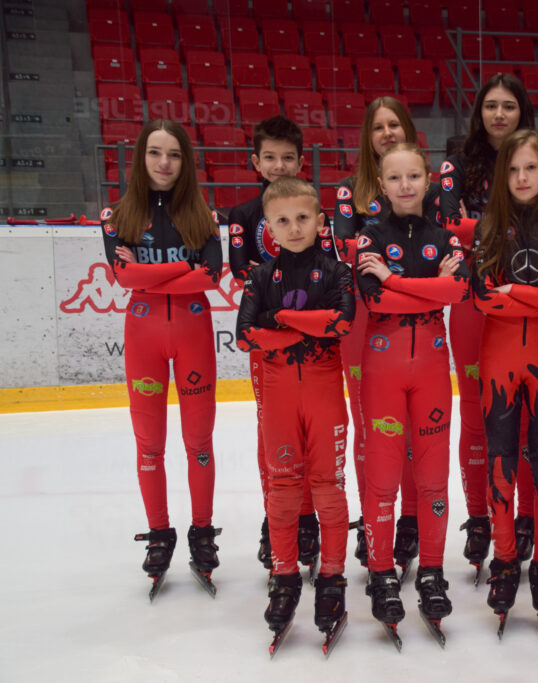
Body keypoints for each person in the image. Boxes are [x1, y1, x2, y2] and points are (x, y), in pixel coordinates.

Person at [101, 119, 223, 590]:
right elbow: (124, 279)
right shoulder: (119, 216)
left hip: (193, 334)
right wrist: (183, 267)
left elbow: (211, 276)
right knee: (149, 443)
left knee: (199, 441)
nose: (165, 163)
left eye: (174, 154)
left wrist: (153, 274)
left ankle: (202, 532)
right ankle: (159, 533)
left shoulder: (202, 215)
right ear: (141, 157)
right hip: (144, 337)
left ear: (185, 161)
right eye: (155, 152)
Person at [354, 143, 470, 632]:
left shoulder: (445, 238)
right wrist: (427, 290)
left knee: (432, 478)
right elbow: (374, 300)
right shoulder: (368, 237)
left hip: (431, 371)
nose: (405, 185)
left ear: (428, 182)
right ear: (382, 185)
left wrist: (394, 281)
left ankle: (432, 572)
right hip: (382, 369)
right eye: (395, 178)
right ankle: (381, 573)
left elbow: (458, 291)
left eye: (414, 177)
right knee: (382, 477)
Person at [236, 176, 355, 639]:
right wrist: (308, 325)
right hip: (281, 398)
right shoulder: (259, 276)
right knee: (283, 491)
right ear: (268, 227)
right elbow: (246, 335)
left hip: (325, 396)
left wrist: (280, 318)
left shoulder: (338, 271)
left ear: (321, 221)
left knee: (328, 489)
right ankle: (284, 578)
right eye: (282, 220)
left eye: (303, 217)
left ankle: (332, 579)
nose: (294, 227)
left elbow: (341, 323)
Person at [472, 129, 538, 626]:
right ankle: (504, 560)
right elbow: (483, 299)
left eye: (530, 168)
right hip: (498, 358)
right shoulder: (488, 226)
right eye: (513, 169)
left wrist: (515, 292)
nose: (521, 177)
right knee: (502, 459)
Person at [439, 74, 538, 571]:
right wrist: (501, 228)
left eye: (509, 106)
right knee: (476, 413)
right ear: (479, 112)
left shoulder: (535, 161)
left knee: (526, 418)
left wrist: (474, 228)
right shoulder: (457, 164)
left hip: (526, 300)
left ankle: (525, 518)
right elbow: (444, 225)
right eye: (491, 105)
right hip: (470, 302)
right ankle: (479, 518)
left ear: (523, 113)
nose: (499, 114)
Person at [334, 97, 435, 571]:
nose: (388, 132)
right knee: (370, 429)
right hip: (363, 322)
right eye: (379, 127)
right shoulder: (348, 192)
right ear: (367, 136)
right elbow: (349, 251)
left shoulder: (424, 191)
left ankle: (411, 520)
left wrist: (394, 272)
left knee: (416, 428)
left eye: (396, 124)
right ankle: (372, 520)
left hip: (416, 325)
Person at [227, 115, 330, 573]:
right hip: (268, 341)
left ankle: (306, 521)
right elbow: (242, 271)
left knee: (310, 433)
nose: (279, 165)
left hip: (310, 342)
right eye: (270, 157)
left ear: (301, 161)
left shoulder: (311, 209)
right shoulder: (243, 215)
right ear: (256, 162)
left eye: (288, 157)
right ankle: (277, 520)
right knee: (271, 431)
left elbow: (325, 271)